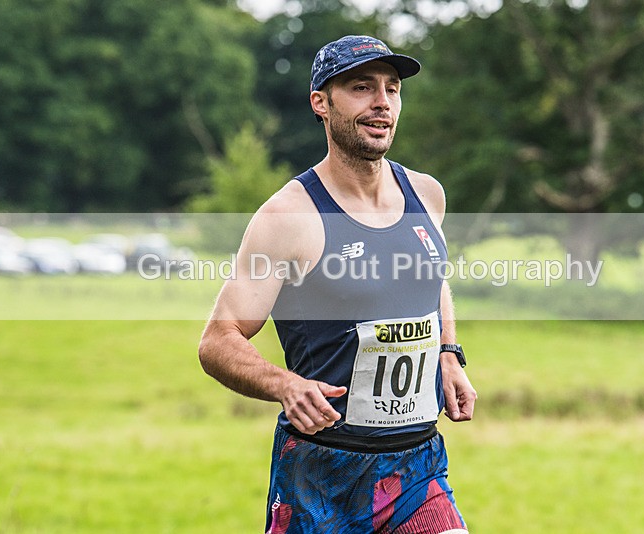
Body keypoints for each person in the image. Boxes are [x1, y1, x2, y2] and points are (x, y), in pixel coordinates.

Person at [198, 35, 477, 534]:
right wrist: (286, 385)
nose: (382, 102)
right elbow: (218, 340)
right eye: (361, 87)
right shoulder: (288, 216)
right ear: (321, 103)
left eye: (392, 89)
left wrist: (449, 353)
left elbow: (432, 277)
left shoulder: (427, 194)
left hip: (417, 469)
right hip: (320, 475)